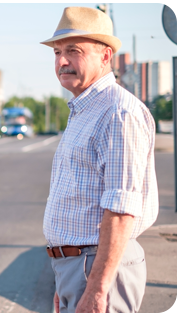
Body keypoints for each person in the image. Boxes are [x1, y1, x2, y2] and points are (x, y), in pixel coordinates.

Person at [41, 7, 159, 313]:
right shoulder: (85, 109)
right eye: (57, 52)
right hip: (79, 268)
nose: (62, 61)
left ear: (106, 56)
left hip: (99, 267)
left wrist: (95, 287)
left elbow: (121, 210)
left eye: (73, 51)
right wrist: (66, 280)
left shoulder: (118, 113)